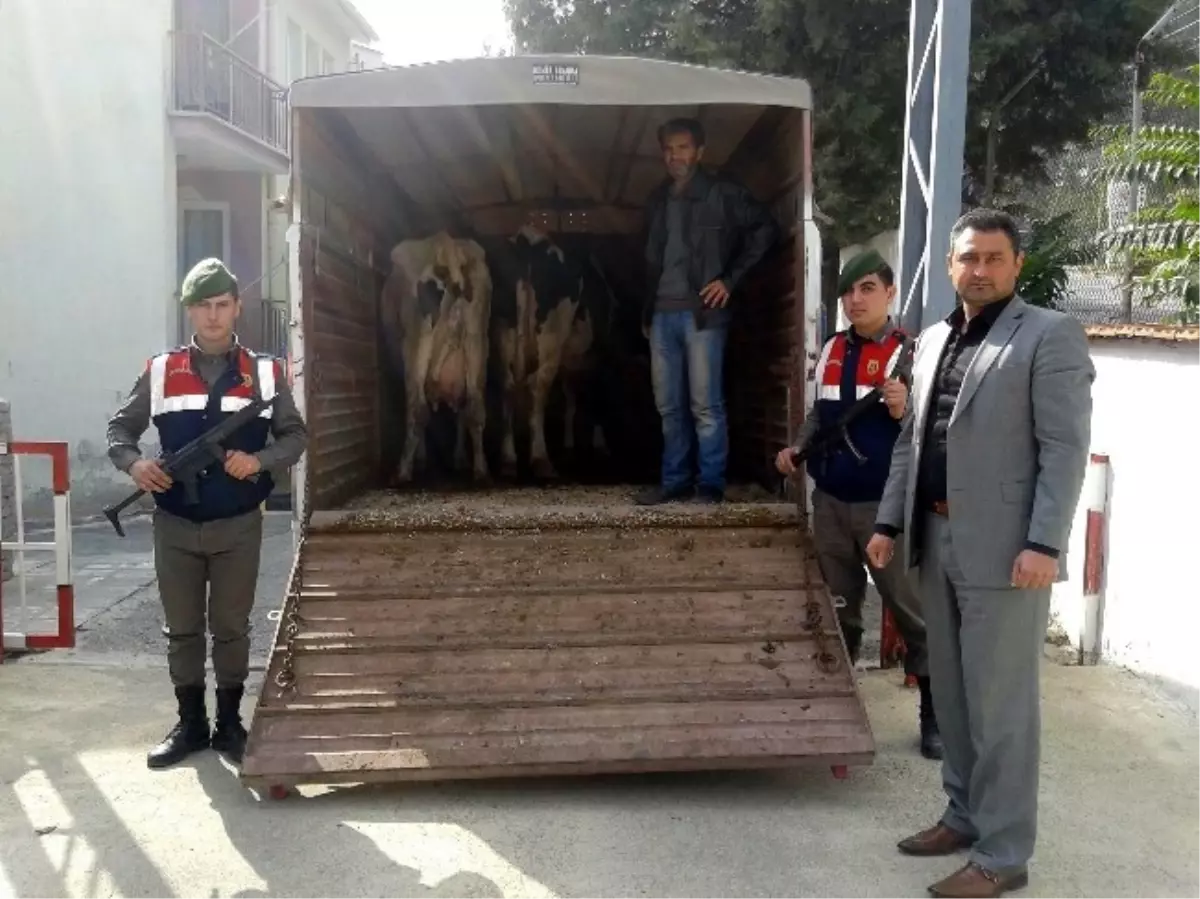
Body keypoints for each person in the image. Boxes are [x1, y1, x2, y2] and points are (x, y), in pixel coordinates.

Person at [865, 209, 1094, 898]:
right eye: (969, 258)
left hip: (1007, 552)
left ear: (1017, 264)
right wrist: (888, 522)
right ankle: (963, 814)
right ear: (949, 267)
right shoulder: (933, 339)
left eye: (995, 258)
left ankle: (1004, 852)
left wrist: (1044, 542)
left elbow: (1064, 448)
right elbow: (912, 440)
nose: (981, 270)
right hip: (936, 538)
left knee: (1003, 708)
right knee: (957, 696)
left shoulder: (1050, 335)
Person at [106, 258, 308, 770]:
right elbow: (119, 431)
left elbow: (295, 436)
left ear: (237, 307)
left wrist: (257, 460)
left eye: (222, 305)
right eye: (203, 306)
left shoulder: (265, 372)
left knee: (232, 628)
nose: (214, 316)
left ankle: (229, 724)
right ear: (190, 311)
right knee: (182, 629)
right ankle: (191, 725)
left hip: (239, 523)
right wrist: (136, 465)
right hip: (174, 524)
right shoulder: (160, 370)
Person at [775, 248, 941, 761]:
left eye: (867, 288)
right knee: (838, 612)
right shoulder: (830, 348)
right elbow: (820, 417)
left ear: (890, 292)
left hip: (884, 510)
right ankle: (837, 712)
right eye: (848, 291)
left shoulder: (914, 352)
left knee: (912, 613)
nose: (855, 299)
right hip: (830, 504)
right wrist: (797, 449)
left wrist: (902, 408)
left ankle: (935, 718)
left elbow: (933, 429)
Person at [635, 117, 778, 505]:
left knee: (705, 405)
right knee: (669, 407)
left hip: (704, 315)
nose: (674, 155)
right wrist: (647, 312)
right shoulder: (657, 200)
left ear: (700, 152)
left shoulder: (723, 194)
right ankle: (674, 481)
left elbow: (765, 228)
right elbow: (650, 262)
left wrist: (729, 281)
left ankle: (710, 486)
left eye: (682, 147)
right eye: (668, 148)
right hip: (662, 315)